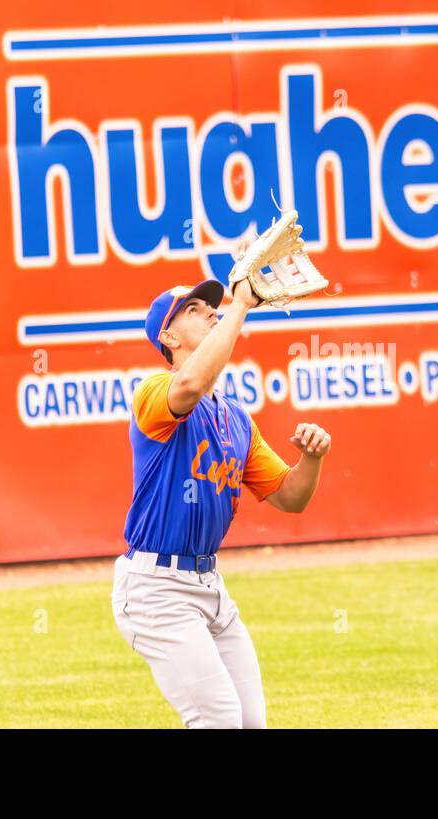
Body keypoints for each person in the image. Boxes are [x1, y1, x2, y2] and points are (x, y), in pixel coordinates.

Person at [111, 274, 332, 728]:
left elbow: (290, 498)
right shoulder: (154, 392)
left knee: (250, 720)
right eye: (194, 310)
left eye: (213, 307)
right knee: (220, 720)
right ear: (167, 337)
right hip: (156, 589)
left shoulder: (233, 419)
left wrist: (311, 459)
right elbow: (190, 386)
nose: (212, 310)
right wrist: (241, 308)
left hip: (211, 588)